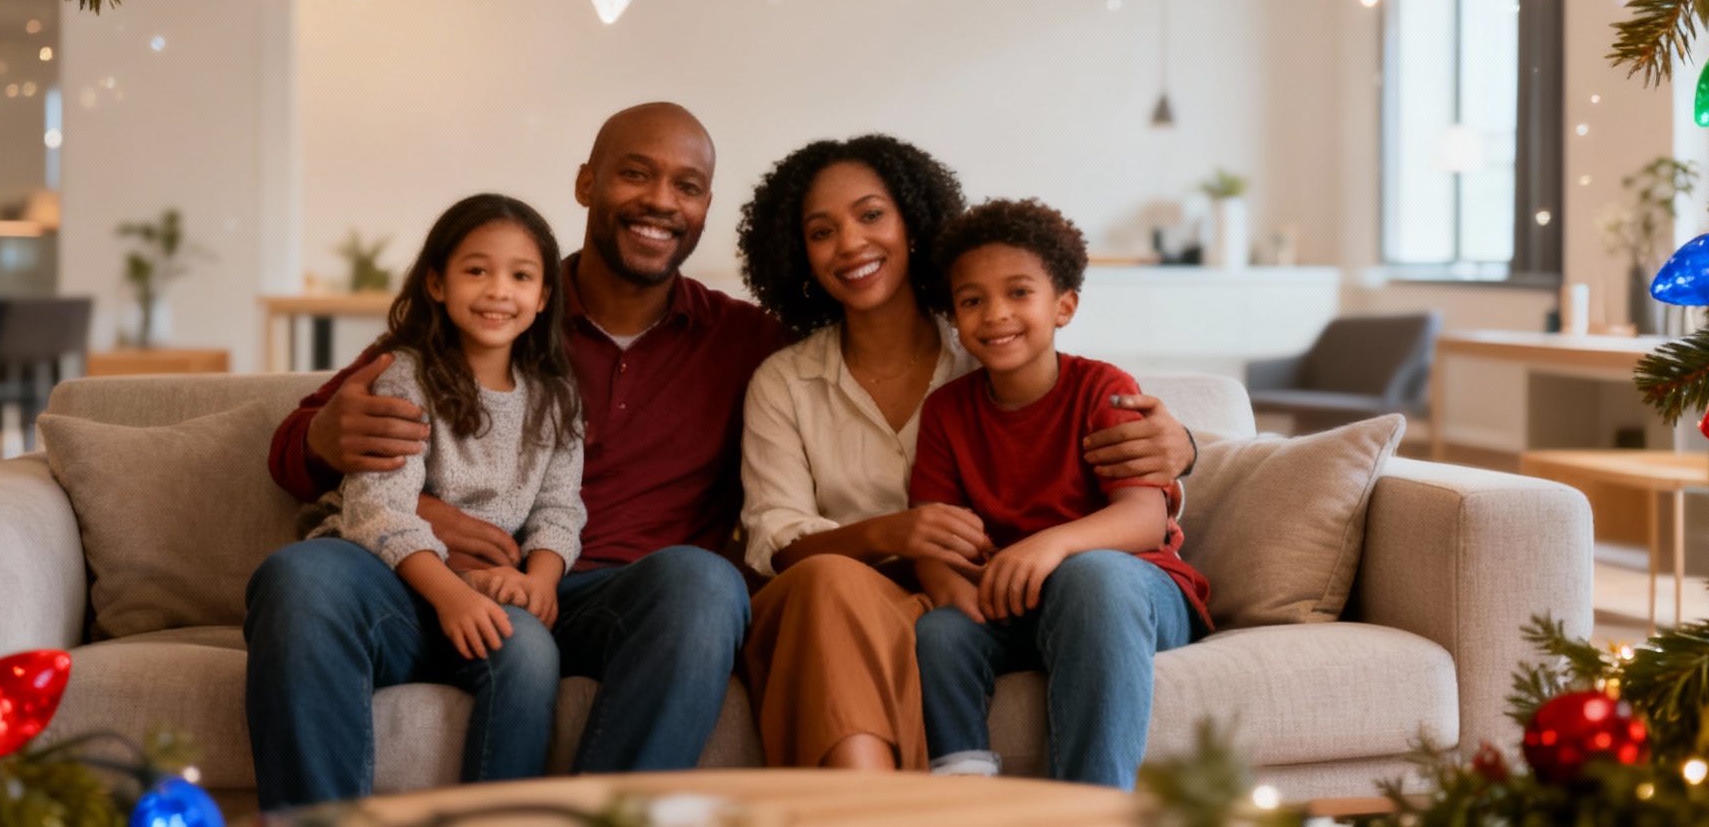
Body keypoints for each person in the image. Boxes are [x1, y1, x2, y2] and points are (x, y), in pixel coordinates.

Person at [248, 103, 782, 809]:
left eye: (686, 186)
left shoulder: (747, 342)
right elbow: (297, 452)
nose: (660, 200)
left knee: (706, 584)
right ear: (587, 183)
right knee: (302, 577)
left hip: (609, 603)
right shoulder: (494, 312)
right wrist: (346, 454)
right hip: (422, 586)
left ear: (706, 206)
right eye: (635, 174)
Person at [735, 139, 1200, 773]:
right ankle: (920, 803)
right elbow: (780, 541)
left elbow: (1132, 490)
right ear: (799, 253)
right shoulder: (792, 384)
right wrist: (898, 539)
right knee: (863, 597)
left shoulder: (989, 352)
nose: (849, 244)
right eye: (822, 231)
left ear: (914, 225)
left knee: (1083, 581)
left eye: (872, 215)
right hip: (877, 597)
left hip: (1039, 586)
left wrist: (1186, 448)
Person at [909, 198, 1212, 791]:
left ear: (1064, 306)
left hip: (1131, 589)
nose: (995, 314)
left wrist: (1047, 547)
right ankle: (965, 793)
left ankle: (1091, 806)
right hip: (1020, 604)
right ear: (953, 316)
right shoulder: (946, 411)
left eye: (1019, 292)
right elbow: (933, 534)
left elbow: (1144, 519)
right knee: (939, 632)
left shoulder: (1105, 389)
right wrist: (950, 590)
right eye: (972, 300)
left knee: (1089, 574)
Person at [305, 194, 584, 782]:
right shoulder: (404, 375)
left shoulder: (557, 400)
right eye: (476, 270)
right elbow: (378, 510)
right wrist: (455, 595)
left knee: (529, 652)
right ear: (436, 283)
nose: (498, 291)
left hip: (486, 587)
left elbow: (560, 509)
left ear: (543, 297)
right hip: (391, 582)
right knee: (301, 575)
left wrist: (540, 581)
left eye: (521, 275)